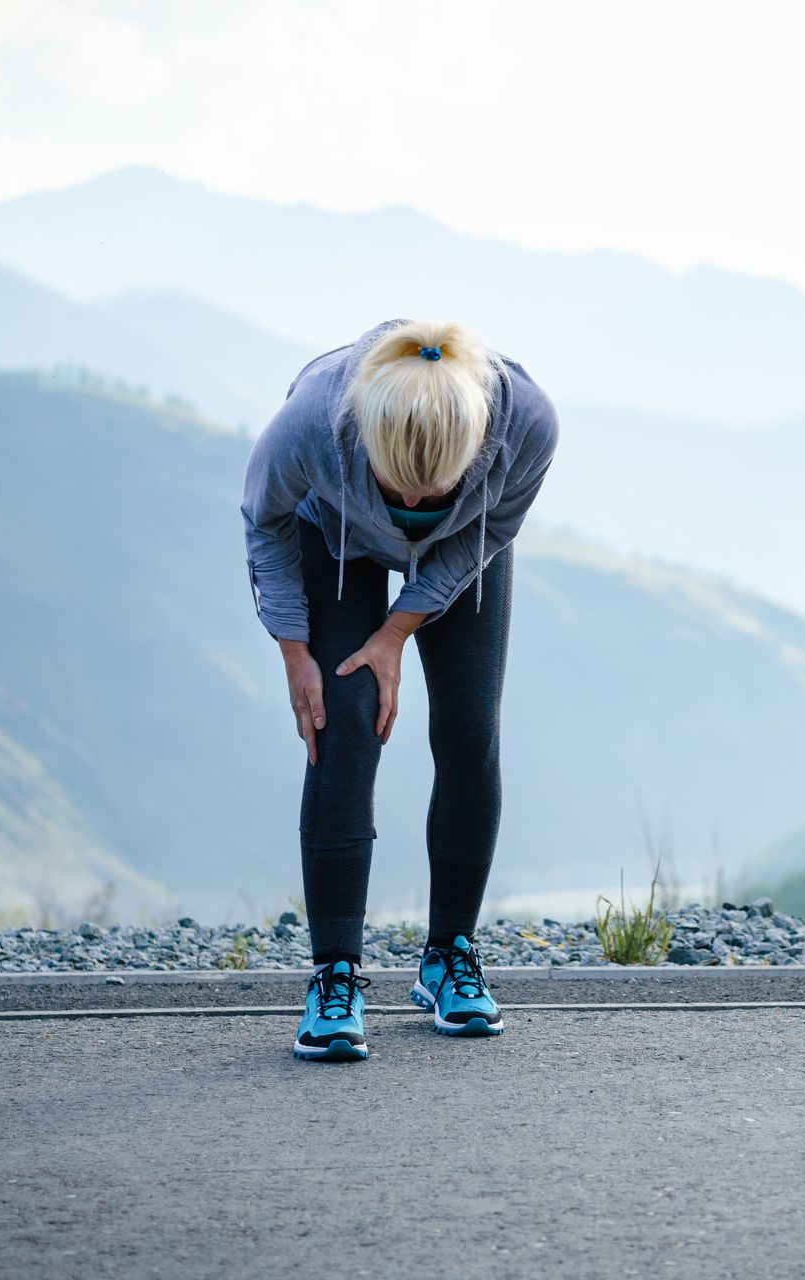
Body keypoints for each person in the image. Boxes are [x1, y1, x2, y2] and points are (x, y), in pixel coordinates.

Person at [241, 317, 559, 1061]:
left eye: (433, 492)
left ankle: (449, 955)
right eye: (397, 489)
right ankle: (335, 974)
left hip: (467, 547)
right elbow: (265, 523)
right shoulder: (310, 426)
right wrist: (294, 648)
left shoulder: (527, 427)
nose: (413, 505)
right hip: (335, 536)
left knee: (469, 728)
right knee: (341, 718)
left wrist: (397, 632)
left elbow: (497, 531)